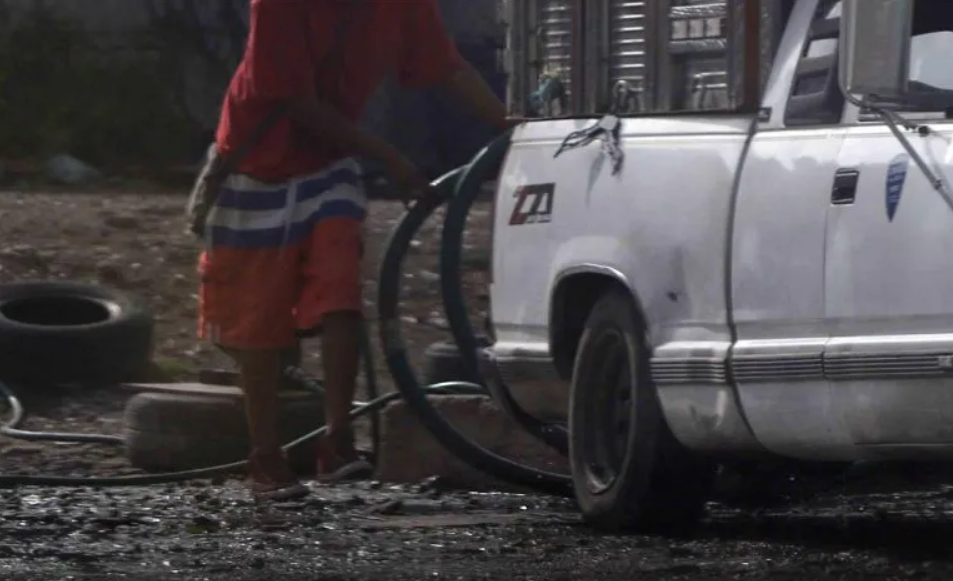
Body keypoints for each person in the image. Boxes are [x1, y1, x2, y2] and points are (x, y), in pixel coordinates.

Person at [198, 0, 518, 501]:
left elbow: (448, 67)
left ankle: (338, 441)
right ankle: (266, 457)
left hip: (329, 163)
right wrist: (389, 156)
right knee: (259, 319)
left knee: (339, 289)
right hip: (256, 165)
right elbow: (296, 102)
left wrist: (516, 130)